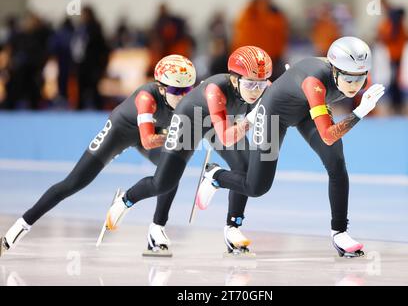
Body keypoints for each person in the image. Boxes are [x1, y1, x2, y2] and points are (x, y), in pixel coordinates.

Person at [197, 37, 385, 258]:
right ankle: (218, 181)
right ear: (334, 71)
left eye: (360, 80)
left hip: (307, 108)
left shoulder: (355, 73)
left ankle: (340, 232)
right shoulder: (313, 83)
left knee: (337, 164)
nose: (354, 86)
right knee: (256, 186)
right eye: (347, 79)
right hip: (274, 113)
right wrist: (360, 112)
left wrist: (294, 75)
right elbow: (327, 136)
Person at [0, 55, 196, 257]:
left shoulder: (188, 99)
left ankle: (157, 230)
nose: (183, 96)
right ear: (161, 87)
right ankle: (17, 228)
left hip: (154, 132)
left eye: (188, 90)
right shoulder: (146, 98)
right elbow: (147, 140)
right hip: (121, 132)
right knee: (72, 183)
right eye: (176, 91)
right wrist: (178, 135)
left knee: (172, 169)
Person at [102, 46, 272, 255]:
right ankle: (135, 208)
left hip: (219, 121)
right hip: (190, 119)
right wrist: (250, 120)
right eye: (250, 84)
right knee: (165, 182)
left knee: (245, 167)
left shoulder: (265, 87)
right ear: (234, 79)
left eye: (261, 84)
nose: (256, 90)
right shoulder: (215, 90)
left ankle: (232, 227)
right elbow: (227, 137)